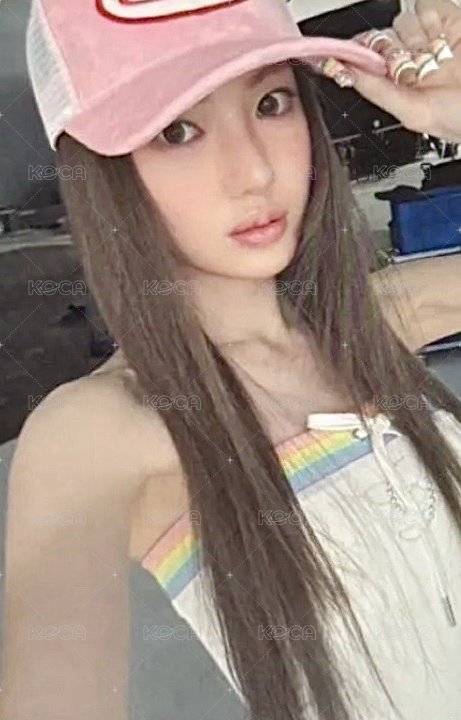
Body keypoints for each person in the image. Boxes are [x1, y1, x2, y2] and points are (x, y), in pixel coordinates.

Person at [2, 1, 461, 719]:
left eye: (271, 103)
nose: (253, 171)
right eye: (177, 131)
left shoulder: (370, 322)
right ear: (102, 173)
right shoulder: (101, 430)